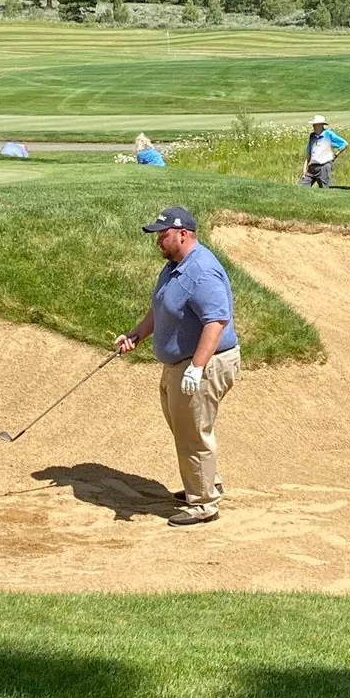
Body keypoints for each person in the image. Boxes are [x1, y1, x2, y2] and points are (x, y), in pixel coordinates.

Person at [114, 207, 240, 527]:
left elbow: (216, 321)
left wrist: (196, 368)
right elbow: (161, 308)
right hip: (180, 364)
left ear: (183, 234)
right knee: (185, 429)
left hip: (205, 364)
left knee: (193, 434)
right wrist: (137, 335)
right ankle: (205, 481)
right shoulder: (173, 267)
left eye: (163, 234)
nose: (158, 240)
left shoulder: (201, 271)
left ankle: (203, 504)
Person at [300, 114, 347, 187]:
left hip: (324, 166)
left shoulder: (328, 134)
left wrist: (336, 155)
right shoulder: (312, 136)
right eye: (313, 124)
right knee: (302, 186)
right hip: (312, 167)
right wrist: (304, 169)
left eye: (315, 124)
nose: (313, 126)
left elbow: (344, 144)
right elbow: (308, 154)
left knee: (325, 189)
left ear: (321, 125)